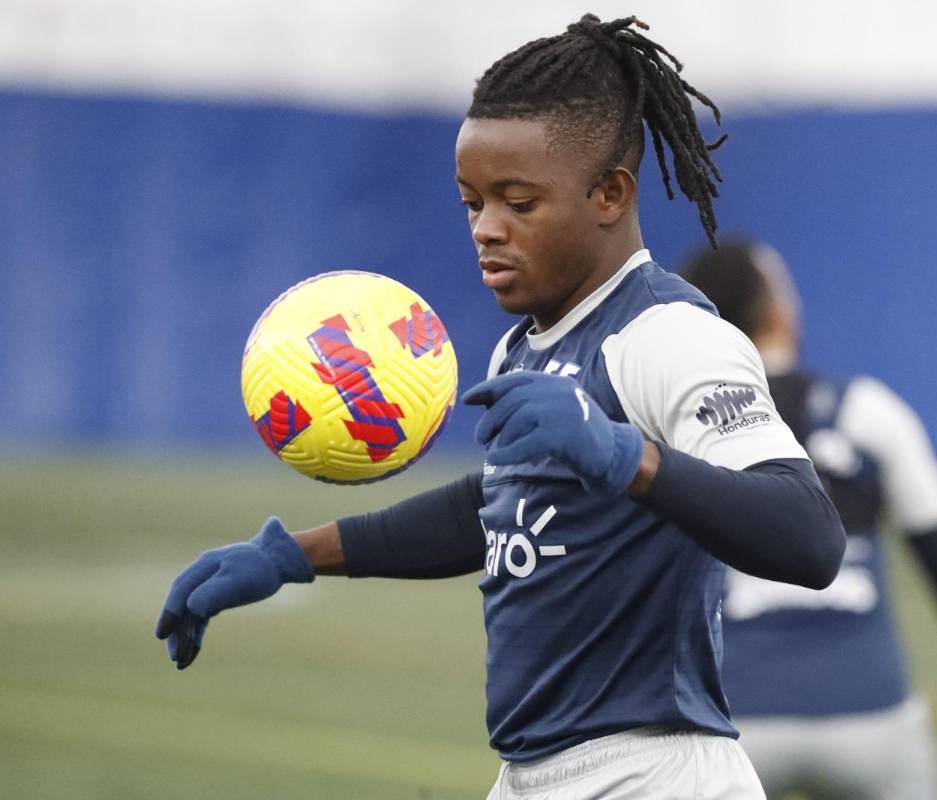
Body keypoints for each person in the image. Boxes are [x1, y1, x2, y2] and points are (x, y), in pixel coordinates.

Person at [155, 16, 846, 800]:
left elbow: (809, 536)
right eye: (472, 202)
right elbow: (497, 510)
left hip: (653, 775)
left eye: (518, 201)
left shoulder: (668, 335)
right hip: (534, 776)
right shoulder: (525, 348)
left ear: (611, 194)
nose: (486, 229)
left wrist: (627, 456)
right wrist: (292, 556)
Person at [681, 241, 937, 800]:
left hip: (735, 720)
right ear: (779, 313)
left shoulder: (676, 420)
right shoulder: (866, 410)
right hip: (872, 714)